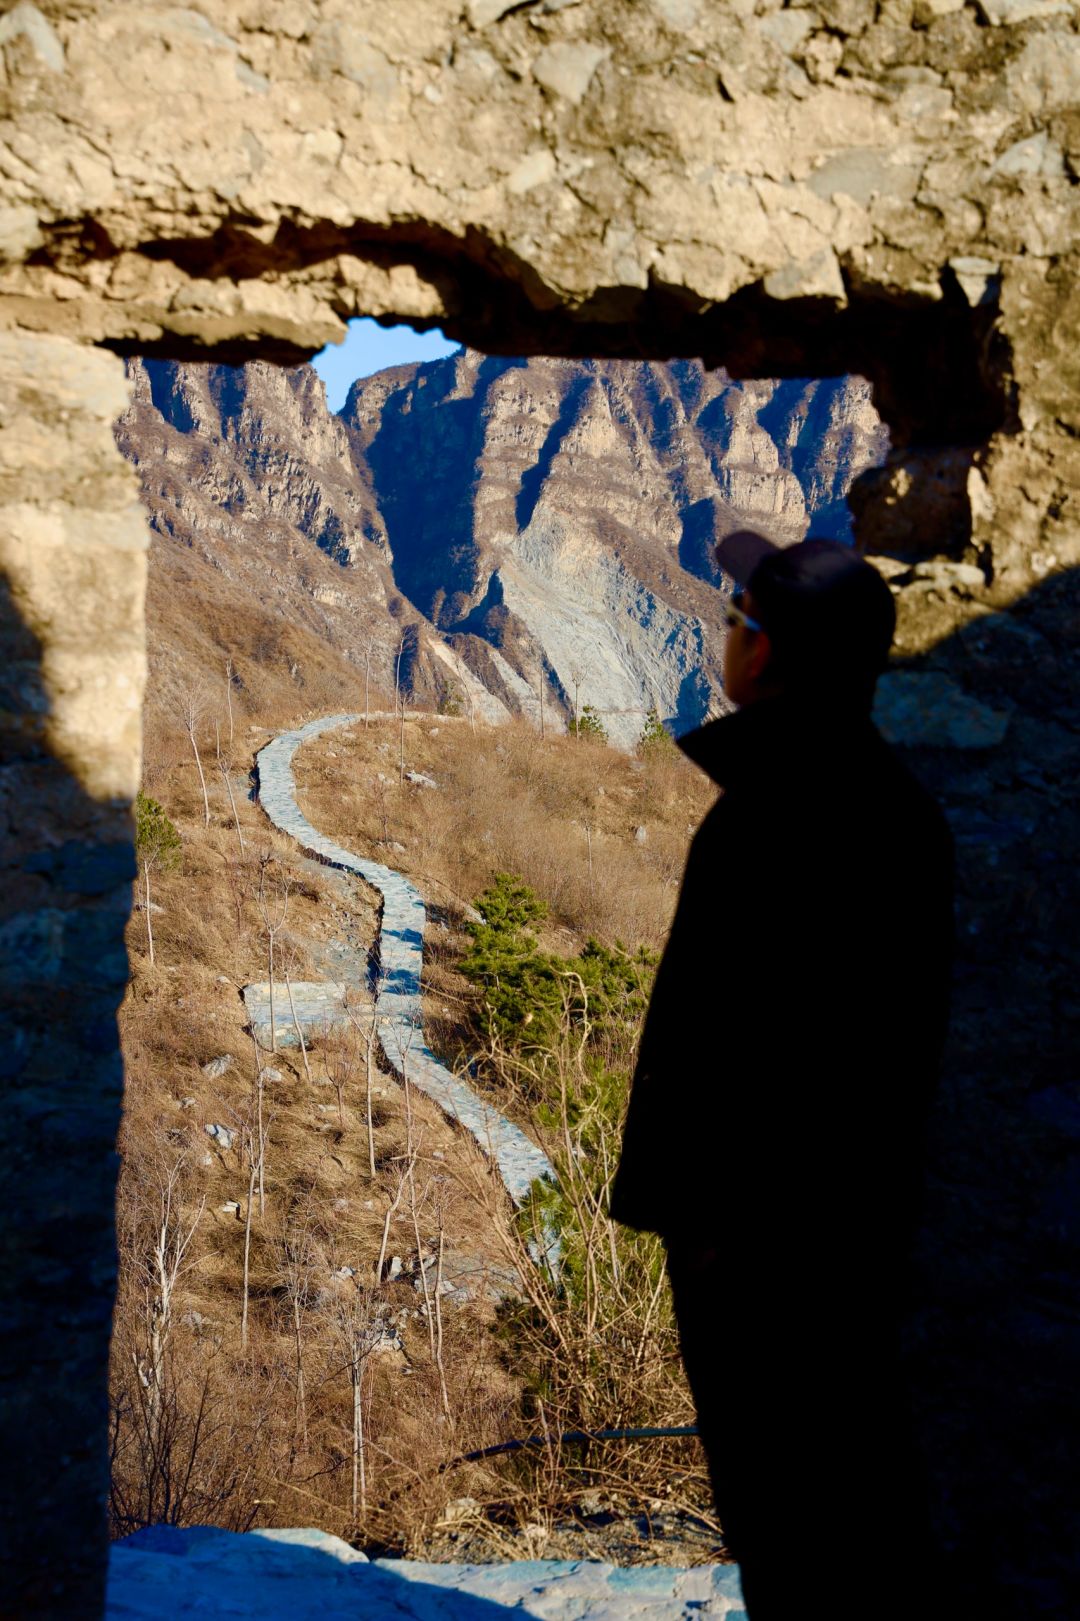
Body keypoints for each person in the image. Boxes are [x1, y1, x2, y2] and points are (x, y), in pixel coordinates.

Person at [610, 531, 955, 1619]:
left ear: (767, 650)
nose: (722, 633)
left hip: (765, 1244)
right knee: (844, 1502)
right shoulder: (885, 805)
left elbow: (754, 1043)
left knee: (795, 1510)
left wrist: (713, 1225)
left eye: (734, 617)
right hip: (834, 1229)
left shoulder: (777, 814)